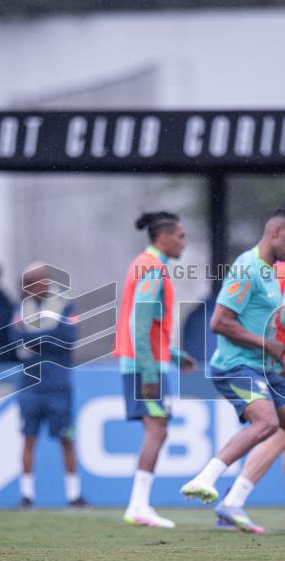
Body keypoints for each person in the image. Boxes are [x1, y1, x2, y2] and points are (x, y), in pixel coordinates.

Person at [180, 206, 285, 534]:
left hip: (266, 368)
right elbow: (219, 322)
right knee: (267, 423)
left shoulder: (272, 272)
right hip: (236, 367)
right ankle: (206, 478)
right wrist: (267, 345)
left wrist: (280, 353)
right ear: (275, 232)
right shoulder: (247, 267)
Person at [113, 212, 195, 528]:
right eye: (181, 236)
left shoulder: (144, 264)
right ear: (163, 237)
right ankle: (138, 505)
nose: (184, 243)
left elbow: (147, 324)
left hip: (144, 361)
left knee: (157, 428)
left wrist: (174, 355)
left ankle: (139, 504)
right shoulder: (152, 268)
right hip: (143, 366)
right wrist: (149, 373)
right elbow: (140, 322)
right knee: (157, 429)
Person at [11, 262, 87, 508]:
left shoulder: (65, 304)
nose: (39, 285)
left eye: (42, 280)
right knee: (28, 438)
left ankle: (74, 494)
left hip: (58, 385)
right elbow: (14, 338)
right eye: (33, 282)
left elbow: (68, 337)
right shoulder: (22, 308)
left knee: (66, 439)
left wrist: (33, 338)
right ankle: (26, 494)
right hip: (30, 384)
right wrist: (48, 336)